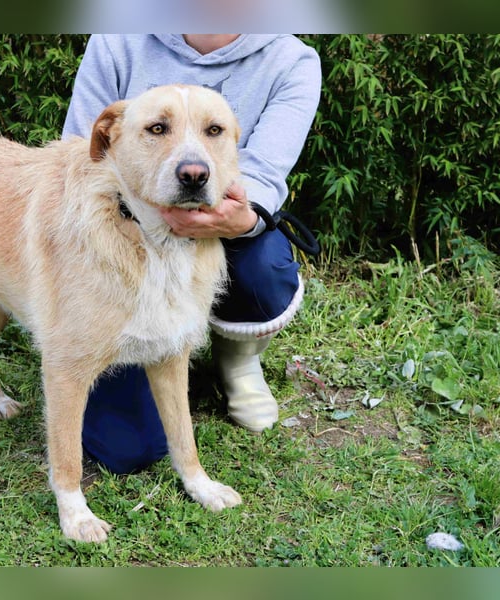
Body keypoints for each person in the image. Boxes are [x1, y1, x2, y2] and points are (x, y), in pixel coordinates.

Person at [62, 34, 321, 474]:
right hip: (122, 227)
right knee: (130, 448)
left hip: (227, 219)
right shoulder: (116, 39)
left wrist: (234, 218)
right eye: (157, 129)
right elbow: (80, 152)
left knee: (265, 266)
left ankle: (237, 360)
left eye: (214, 129)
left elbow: (263, 172)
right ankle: (105, 334)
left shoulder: (291, 59)